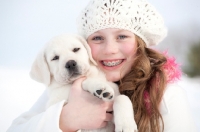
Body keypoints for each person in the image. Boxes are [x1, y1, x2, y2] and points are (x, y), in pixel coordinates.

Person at [7, 0, 197, 132]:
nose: (110, 49)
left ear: (140, 43)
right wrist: (64, 120)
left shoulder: (166, 96)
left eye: (122, 36)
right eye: (97, 38)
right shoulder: (68, 87)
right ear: (86, 46)